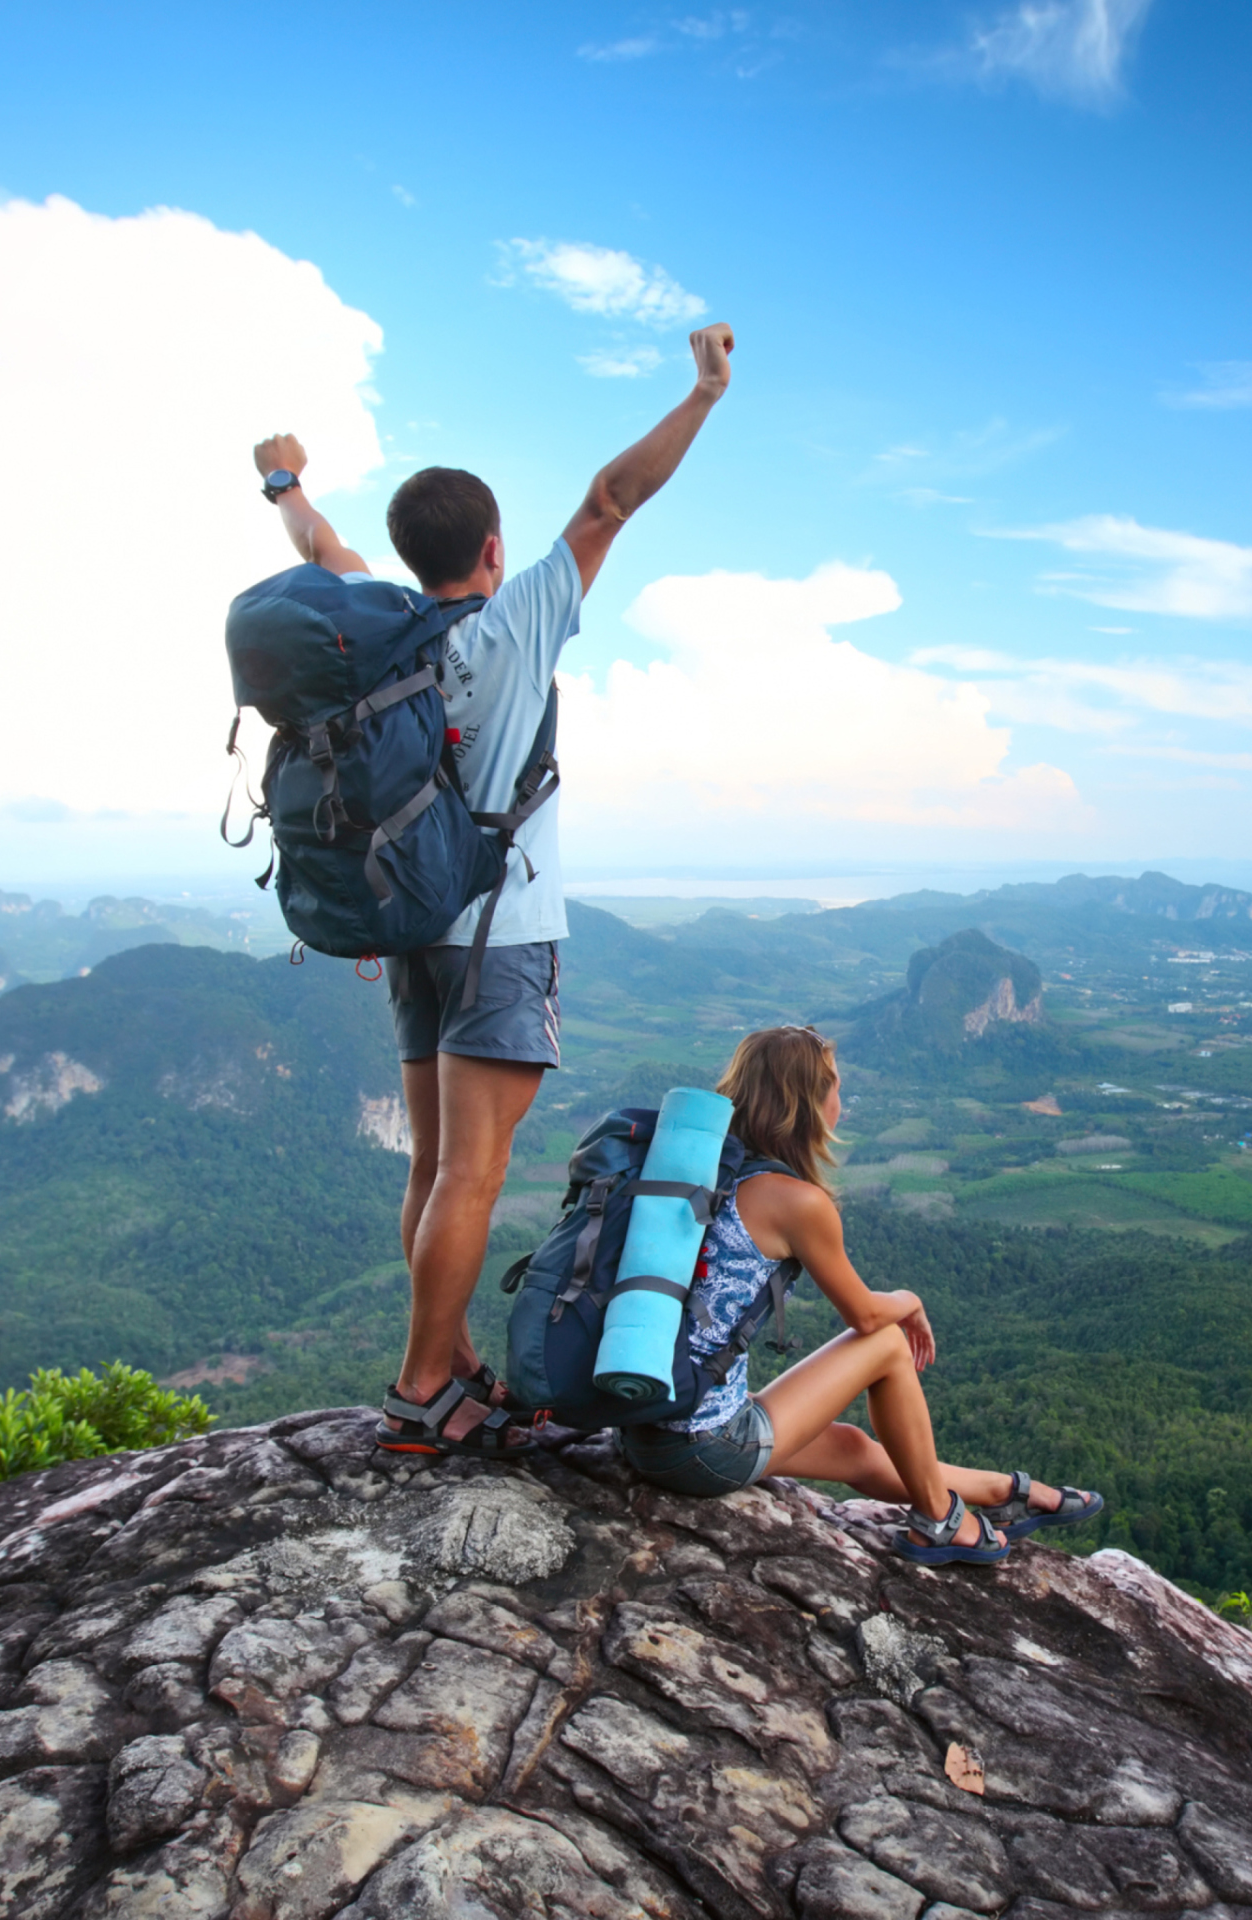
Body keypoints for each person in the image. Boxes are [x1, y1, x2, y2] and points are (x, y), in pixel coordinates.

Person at [250, 323, 737, 1458]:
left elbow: (320, 546)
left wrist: (284, 482)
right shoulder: (516, 621)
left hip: (411, 925)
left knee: (432, 1166)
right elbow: (613, 498)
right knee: (475, 1171)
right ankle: (424, 1389)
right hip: (498, 936)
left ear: (409, 552)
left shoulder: (385, 634)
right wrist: (704, 393)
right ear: (494, 544)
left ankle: (451, 1354)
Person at [624, 1025, 1106, 1565]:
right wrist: (910, 1298)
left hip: (645, 1428)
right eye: (835, 1090)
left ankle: (1005, 1492)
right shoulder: (794, 1201)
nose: (842, 1107)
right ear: (806, 1103)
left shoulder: (698, 1171)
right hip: (703, 1448)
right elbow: (867, 1314)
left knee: (853, 1446)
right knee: (887, 1345)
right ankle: (939, 1520)